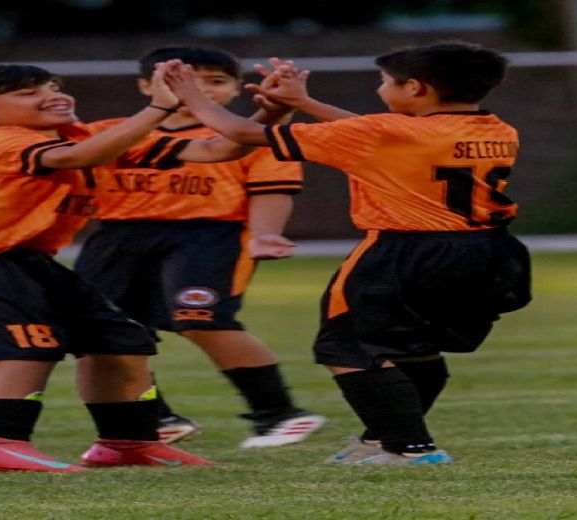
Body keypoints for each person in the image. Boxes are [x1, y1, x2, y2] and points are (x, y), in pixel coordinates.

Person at [0, 62, 270, 472]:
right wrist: (158, 108)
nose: (52, 96)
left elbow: (217, 150)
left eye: (52, 87)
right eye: (28, 92)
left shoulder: (86, 137)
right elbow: (76, 158)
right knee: (27, 342)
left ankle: (128, 444)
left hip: (20, 255)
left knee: (119, 340)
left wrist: (275, 109)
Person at [163, 42, 532, 464]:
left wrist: (191, 95)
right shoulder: (498, 129)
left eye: (385, 82)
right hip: (489, 251)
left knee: (347, 345)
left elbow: (245, 134)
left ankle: (411, 448)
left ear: (415, 88)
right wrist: (304, 103)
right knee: (414, 346)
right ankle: (382, 440)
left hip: (407, 250)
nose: (380, 89)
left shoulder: (385, 133)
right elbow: (373, 133)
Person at [74, 46, 325, 448]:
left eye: (216, 81)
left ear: (236, 89)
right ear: (146, 86)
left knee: (202, 319)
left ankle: (279, 414)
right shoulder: (112, 132)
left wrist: (265, 233)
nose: (201, 90)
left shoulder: (248, 135)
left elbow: (271, 189)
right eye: (184, 81)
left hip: (208, 235)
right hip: (117, 236)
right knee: (102, 331)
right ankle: (155, 419)